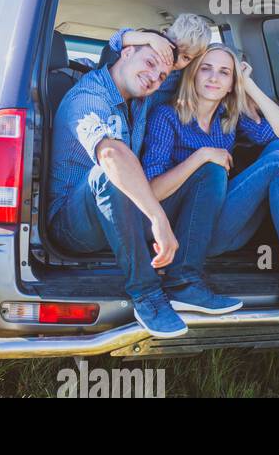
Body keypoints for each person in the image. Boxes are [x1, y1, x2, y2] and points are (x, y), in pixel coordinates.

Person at [141, 43, 279, 323]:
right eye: (205, 69)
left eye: (224, 72)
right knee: (271, 163)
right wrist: (201, 156)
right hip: (185, 233)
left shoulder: (229, 118)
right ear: (192, 74)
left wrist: (248, 85)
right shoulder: (166, 117)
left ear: (232, 83)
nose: (213, 78)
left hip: (223, 221)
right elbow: (153, 191)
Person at [47, 36, 234, 339]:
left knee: (209, 169)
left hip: (126, 217)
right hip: (74, 224)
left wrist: (184, 62)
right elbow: (112, 155)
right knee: (108, 171)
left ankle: (184, 282)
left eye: (162, 75)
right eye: (149, 63)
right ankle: (146, 294)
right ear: (127, 52)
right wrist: (158, 219)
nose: (154, 77)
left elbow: (195, 79)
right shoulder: (88, 97)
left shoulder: (144, 96)